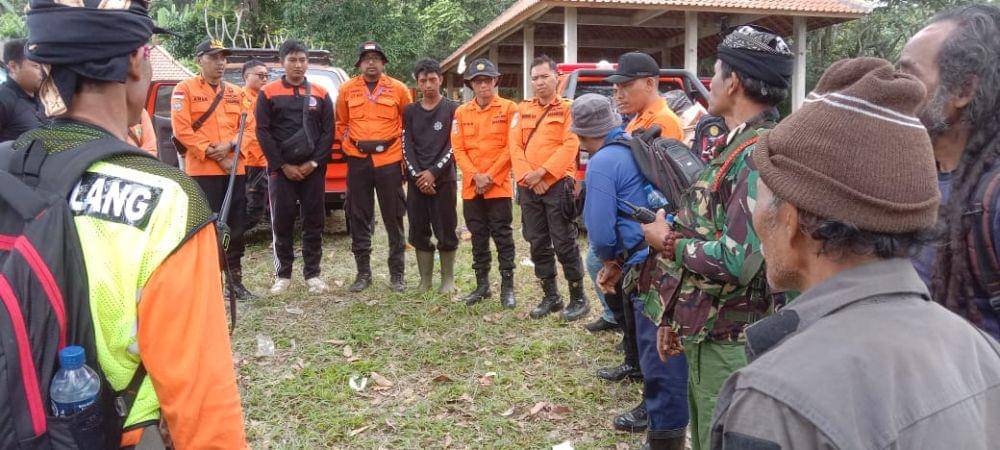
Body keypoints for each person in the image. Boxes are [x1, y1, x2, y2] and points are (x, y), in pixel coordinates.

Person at [712, 56, 1000, 450]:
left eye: (759, 198)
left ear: (792, 220)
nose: (755, 214)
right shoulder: (983, 353)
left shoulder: (777, 399)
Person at [19, 0, 247, 446]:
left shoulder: (9, 167)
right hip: (120, 432)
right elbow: (201, 397)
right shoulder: (167, 202)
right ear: (133, 62)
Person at [640, 25, 792, 450]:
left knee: (719, 438)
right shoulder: (736, 146)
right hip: (708, 331)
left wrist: (665, 241)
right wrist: (674, 316)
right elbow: (707, 227)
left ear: (735, 81)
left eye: (716, 71)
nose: (709, 81)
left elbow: (737, 260)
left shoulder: (756, 155)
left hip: (732, 340)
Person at [573, 94, 688, 450]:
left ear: (579, 135)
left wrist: (610, 261)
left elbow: (601, 230)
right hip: (669, 252)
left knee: (658, 352)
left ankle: (664, 433)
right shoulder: (634, 145)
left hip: (646, 262)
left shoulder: (603, 161)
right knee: (667, 344)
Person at [596, 51, 690, 436]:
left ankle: (660, 412)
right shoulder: (637, 120)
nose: (617, 93)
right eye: (615, 87)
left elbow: (661, 190)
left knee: (656, 327)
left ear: (650, 83)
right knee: (640, 322)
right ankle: (641, 378)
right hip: (640, 238)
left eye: (625, 85)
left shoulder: (664, 123)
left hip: (655, 238)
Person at [899, 4, 1000, 340]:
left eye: (908, 74)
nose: (892, 85)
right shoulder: (909, 177)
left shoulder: (992, 201)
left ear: (963, 92)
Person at [171, 39, 255, 299]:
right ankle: (208, 283)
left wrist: (231, 146)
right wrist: (214, 154)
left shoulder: (237, 93)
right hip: (203, 172)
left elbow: (249, 128)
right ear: (199, 60)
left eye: (224, 58)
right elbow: (182, 130)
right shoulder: (183, 90)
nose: (221, 63)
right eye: (214, 57)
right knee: (205, 229)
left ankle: (235, 282)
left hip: (234, 172)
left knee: (235, 226)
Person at [510, 54, 588, 321]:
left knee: (564, 242)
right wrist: (528, 176)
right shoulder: (522, 110)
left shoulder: (568, 108)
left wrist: (543, 174)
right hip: (528, 186)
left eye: (545, 76)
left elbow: (570, 145)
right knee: (537, 242)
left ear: (557, 77)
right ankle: (551, 296)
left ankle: (578, 298)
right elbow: (515, 146)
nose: (540, 82)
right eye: (535, 78)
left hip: (557, 186)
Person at [256, 40, 334, 295]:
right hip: (282, 172)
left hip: (313, 171)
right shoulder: (268, 92)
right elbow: (263, 132)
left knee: (314, 220)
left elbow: (328, 133)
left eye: (302, 60)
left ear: (307, 62)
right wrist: (282, 165)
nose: (298, 65)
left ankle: (313, 274)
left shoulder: (321, 93)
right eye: (292, 60)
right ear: (282, 63)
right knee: (282, 222)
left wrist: (314, 163)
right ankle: (283, 275)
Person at [336, 40, 413, 292]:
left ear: (383, 62)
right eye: (366, 58)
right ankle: (363, 274)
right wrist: (351, 148)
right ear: (359, 63)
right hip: (358, 162)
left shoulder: (399, 89)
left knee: (394, 217)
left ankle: (397, 275)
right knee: (358, 216)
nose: (371, 62)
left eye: (376, 58)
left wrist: (403, 160)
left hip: (389, 160)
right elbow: (341, 124)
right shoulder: (347, 89)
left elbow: (408, 125)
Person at [452, 58, 518, 308]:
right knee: (478, 236)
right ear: (471, 84)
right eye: (478, 81)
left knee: (503, 237)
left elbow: (511, 147)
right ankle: (482, 286)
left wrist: (489, 176)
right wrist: (475, 176)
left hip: (498, 186)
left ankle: (507, 288)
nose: (483, 86)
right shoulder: (461, 112)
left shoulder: (510, 109)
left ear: (495, 81)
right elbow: (458, 149)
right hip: (471, 188)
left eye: (487, 81)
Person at [403, 58, 459, 293]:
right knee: (418, 229)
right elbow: (406, 145)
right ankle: (425, 280)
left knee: (446, 229)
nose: (428, 85)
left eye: (433, 79)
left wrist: (434, 173)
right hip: (417, 183)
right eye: (423, 80)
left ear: (441, 80)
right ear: (417, 83)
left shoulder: (454, 108)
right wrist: (418, 175)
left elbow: (454, 145)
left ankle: (447, 280)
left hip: (443, 180)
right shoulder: (410, 111)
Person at [241, 59, 270, 232]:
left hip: (264, 160)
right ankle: (230, 237)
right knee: (252, 209)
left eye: (267, 76)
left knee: (259, 206)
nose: (264, 79)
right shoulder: (239, 98)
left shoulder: (266, 98)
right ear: (246, 76)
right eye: (260, 75)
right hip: (249, 161)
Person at [0, 38, 46, 142]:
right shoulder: (4, 100)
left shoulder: (41, 98)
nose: (42, 71)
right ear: (13, 67)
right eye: (36, 66)